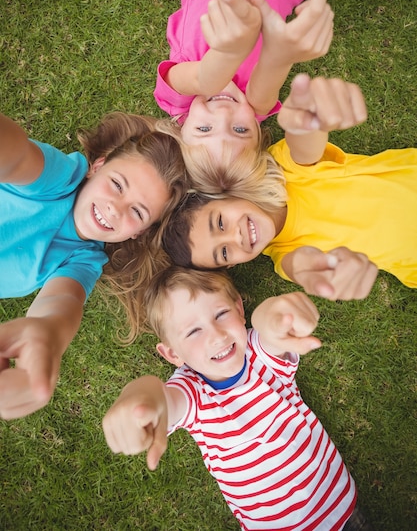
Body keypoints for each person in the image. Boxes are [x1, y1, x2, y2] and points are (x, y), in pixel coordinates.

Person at [103, 266, 371, 530]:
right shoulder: (192, 392)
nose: (217, 336)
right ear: (173, 354)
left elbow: (270, 329)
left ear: (240, 310)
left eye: (221, 314)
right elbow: (165, 399)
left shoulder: (260, 354)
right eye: (193, 331)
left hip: (338, 502)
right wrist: (143, 396)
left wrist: (274, 316)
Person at [154, 0, 392, 166]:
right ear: (257, 133)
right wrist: (283, 51)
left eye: (204, 129)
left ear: (180, 131)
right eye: (241, 130)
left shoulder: (175, 100)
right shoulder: (255, 104)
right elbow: (274, 64)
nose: (223, 114)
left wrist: (229, 52)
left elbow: (203, 78)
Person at [0, 111, 188, 420]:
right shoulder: (59, 179)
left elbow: (63, 300)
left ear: (138, 232)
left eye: (138, 212)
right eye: (117, 184)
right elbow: (16, 155)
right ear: (97, 167)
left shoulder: (85, 259)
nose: (116, 208)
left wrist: (46, 333)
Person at [162, 73, 417, 297]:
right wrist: (316, 273)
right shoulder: (284, 256)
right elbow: (302, 266)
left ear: (223, 195)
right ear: (232, 265)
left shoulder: (283, 170)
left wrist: (306, 119)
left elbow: (305, 147)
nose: (235, 237)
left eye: (219, 223)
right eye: (225, 252)